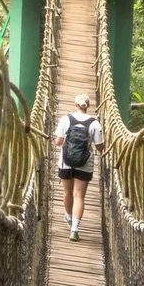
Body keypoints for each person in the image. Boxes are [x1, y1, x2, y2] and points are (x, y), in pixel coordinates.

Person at [53, 93, 104, 241]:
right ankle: (75, 229)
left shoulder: (66, 119)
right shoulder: (95, 124)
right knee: (79, 196)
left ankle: (69, 218)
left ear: (75, 105)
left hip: (66, 162)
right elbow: (99, 147)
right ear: (88, 106)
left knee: (67, 193)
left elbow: (58, 142)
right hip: (84, 163)